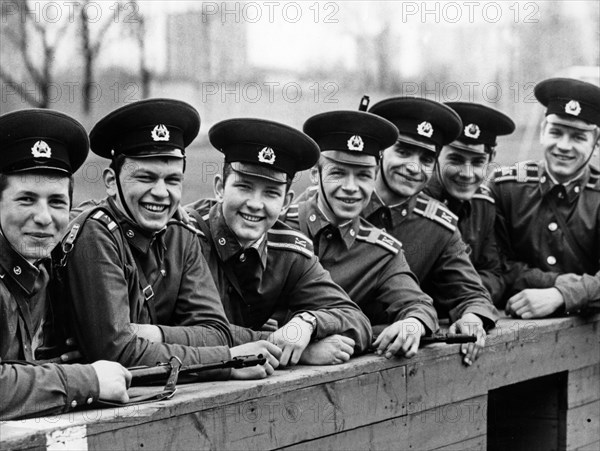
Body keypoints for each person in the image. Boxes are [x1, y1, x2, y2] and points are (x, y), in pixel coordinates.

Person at [61, 99, 279, 380]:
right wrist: (225, 361)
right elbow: (116, 354)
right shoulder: (97, 235)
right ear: (111, 182)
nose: (161, 193)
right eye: (146, 178)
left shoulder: (180, 234)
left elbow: (217, 330)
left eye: (173, 180)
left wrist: (153, 334)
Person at [186, 118, 372, 366]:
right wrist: (280, 345)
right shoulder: (185, 235)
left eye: (271, 193)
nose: (255, 204)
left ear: (286, 202)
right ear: (220, 188)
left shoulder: (290, 251)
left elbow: (356, 320)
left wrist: (306, 323)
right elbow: (181, 331)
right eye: (244, 187)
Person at [0, 108, 130, 420]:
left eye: (57, 202)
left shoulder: (52, 268)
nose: (44, 218)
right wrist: (87, 380)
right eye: (26, 200)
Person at [283, 110, 439, 359]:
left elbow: (418, 305)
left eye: (364, 175)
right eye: (338, 173)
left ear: (375, 176)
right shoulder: (278, 227)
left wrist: (413, 324)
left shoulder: (382, 251)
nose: (351, 188)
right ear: (316, 174)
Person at [365, 97, 499, 366]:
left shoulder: (439, 226)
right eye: (403, 151)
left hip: (394, 360)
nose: (414, 168)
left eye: (426, 158)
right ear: (380, 152)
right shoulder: (339, 205)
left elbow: (470, 293)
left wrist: (472, 317)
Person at [489, 77, 600, 318]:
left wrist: (561, 295)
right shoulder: (505, 188)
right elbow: (494, 266)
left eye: (579, 137)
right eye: (556, 132)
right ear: (542, 132)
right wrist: (557, 281)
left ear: (597, 143)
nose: (564, 146)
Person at [424, 102, 515, 305]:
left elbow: (495, 275)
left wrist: (464, 294)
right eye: (455, 160)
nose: (467, 174)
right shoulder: (415, 201)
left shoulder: (484, 205)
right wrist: (467, 294)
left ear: (492, 158)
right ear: (436, 155)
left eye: (477, 163)